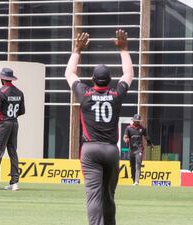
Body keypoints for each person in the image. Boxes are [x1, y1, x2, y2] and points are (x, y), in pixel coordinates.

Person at [65, 29, 133, 225]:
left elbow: (69, 72)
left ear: (93, 80)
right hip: (111, 150)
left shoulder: (84, 94)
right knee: (108, 196)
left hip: (90, 149)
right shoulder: (116, 95)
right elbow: (128, 73)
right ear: (110, 81)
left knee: (93, 196)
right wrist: (124, 48)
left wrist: (77, 50)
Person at [123, 114, 154, 185]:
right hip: (131, 150)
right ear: (133, 120)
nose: (138, 122)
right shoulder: (128, 128)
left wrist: (150, 143)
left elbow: (146, 137)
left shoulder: (142, 128)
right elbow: (124, 137)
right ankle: (134, 181)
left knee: (138, 164)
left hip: (139, 149)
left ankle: (137, 181)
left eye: (139, 121)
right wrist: (126, 140)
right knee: (132, 166)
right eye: (136, 121)